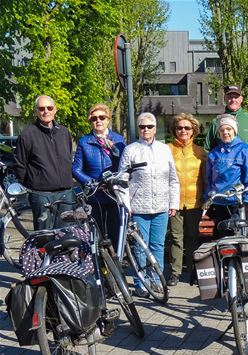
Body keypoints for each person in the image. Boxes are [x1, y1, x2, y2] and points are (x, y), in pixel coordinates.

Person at [119, 112, 180, 297]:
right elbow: (122, 179)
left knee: (157, 245)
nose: (146, 130)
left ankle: (156, 280)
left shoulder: (164, 149)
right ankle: (141, 282)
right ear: (138, 129)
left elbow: (173, 178)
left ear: (155, 128)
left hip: (161, 206)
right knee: (140, 246)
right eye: (142, 126)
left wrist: (173, 203)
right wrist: (126, 204)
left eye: (150, 126)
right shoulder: (130, 150)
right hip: (139, 207)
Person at [204, 85, 248, 233]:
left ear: (241, 99)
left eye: (236, 96)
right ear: (225, 98)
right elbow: (208, 151)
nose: (233, 99)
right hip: (223, 194)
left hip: (247, 186)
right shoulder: (216, 122)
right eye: (229, 96)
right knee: (224, 232)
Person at [14, 95, 74, 230]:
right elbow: (20, 164)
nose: (46, 111)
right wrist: (34, 184)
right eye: (41, 108)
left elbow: (68, 156)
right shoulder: (27, 135)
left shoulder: (64, 132)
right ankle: (42, 252)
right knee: (44, 235)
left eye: (49, 107)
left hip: (66, 193)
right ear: (36, 111)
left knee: (66, 233)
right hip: (41, 195)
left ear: (55, 110)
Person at [73, 103, 126, 249]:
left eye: (102, 117)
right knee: (98, 233)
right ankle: (101, 266)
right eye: (94, 118)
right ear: (90, 121)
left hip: (114, 193)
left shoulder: (119, 139)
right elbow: (76, 169)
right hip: (95, 194)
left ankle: (116, 264)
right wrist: (91, 183)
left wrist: (114, 149)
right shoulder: (85, 141)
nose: (98, 121)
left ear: (108, 119)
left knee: (116, 231)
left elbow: (125, 164)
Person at [166, 113, 207, 287]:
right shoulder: (167, 150)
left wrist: (205, 200)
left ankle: (194, 271)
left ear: (193, 131)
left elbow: (205, 178)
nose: (183, 130)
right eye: (179, 127)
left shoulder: (200, 152)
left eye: (187, 128)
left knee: (192, 238)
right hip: (174, 203)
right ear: (174, 130)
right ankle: (175, 272)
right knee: (176, 237)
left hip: (194, 202)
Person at [205, 114, 248, 238]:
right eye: (222, 130)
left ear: (234, 130)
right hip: (219, 203)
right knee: (221, 240)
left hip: (238, 203)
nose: (225, 132)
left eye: (229, 129)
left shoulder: (245, 150)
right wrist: (208, 198)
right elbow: (208, 179)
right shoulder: (214, 153)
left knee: (240, 239)